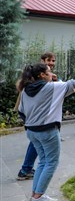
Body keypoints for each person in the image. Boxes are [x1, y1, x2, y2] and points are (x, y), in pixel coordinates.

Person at [18, 63, 75, 201]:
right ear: (42, 75)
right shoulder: (51, 87)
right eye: (49, 72)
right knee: (51, 162)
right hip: (47, 130)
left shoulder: (25, 90)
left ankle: (35, 194)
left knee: (43, 161)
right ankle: (38, 196)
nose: (52, 74)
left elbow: (21, 111)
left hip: (31, 131)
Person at [16, 52, 58, 181]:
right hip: (35, 118)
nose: (52, 63)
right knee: (35, 144)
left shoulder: (44, 76)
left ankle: (27, 168)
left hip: (34, 117)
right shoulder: (36, 76)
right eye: (49, 61)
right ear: (43, 61)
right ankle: (26, 169)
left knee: (35, 143)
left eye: (53, 61)